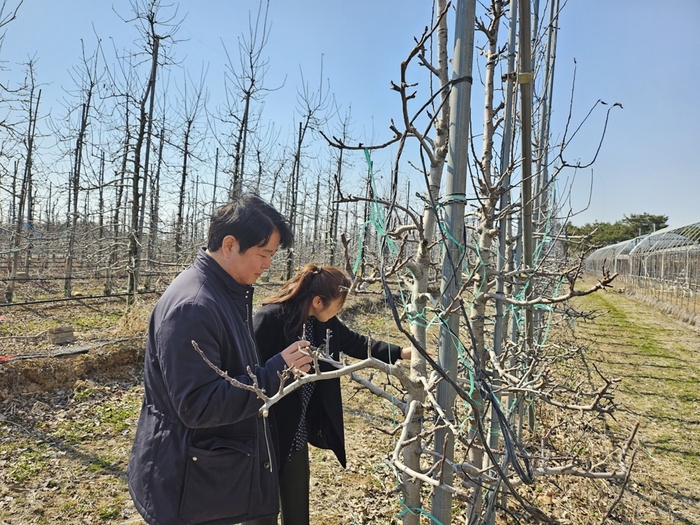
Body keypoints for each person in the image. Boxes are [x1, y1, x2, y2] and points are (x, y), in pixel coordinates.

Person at [127, 194, 314, 525]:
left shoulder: (225, 292)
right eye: (264, 254)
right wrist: (275, 372)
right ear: (229, 245)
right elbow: (199, 405)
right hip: (188, 486)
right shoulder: (194, 307)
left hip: (204, 478)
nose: (268, 264)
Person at [250, 264, 412, 525]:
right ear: (317, 301)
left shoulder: (322, 323)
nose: (339, 311)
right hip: (264, 437)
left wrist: (401, 352)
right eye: (337, 305)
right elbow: (248, 377)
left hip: (296, 433)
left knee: (297, 509)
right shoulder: (269, 320)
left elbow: (357, 343)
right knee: (260, 513)